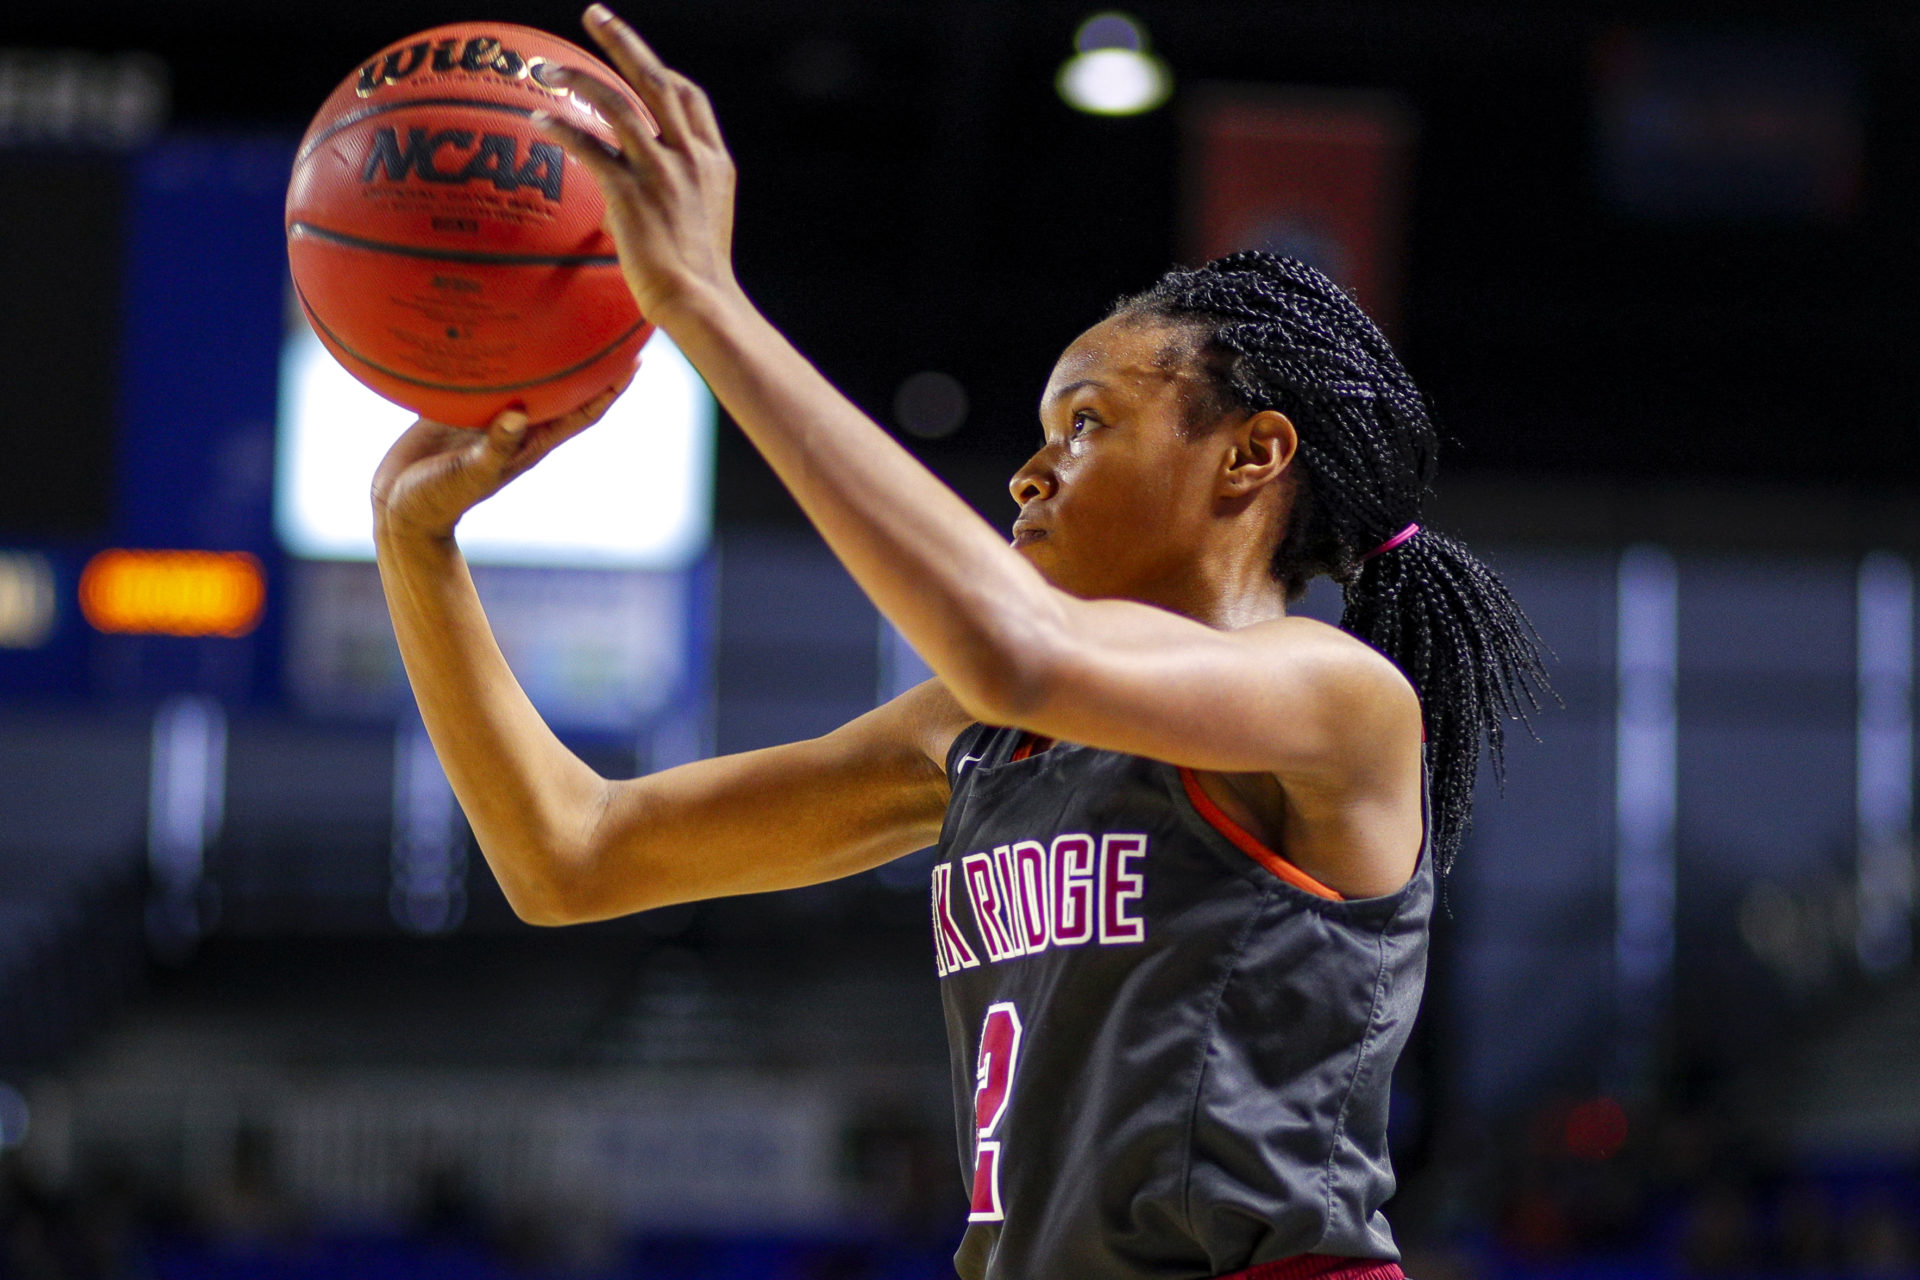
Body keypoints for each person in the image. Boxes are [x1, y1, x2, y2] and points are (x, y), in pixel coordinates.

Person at [369, 7, 1550, 1278]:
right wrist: (414, 547)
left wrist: (708, 307)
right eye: (1044, 429)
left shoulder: (1336, 696)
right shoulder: (976, 730)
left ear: (1253, 454)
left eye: (1089, 420)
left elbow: (1018, 647)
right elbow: (572, 855)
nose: (1035, 471)